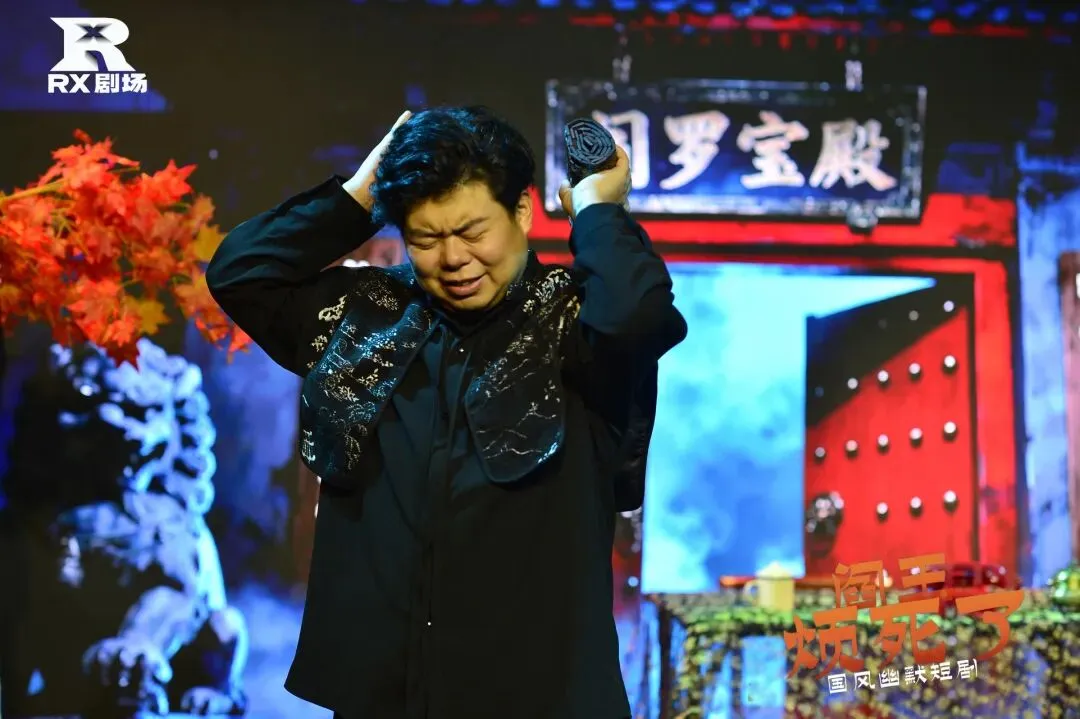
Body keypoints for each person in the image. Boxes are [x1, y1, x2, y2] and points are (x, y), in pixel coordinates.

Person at [206, 106, 687, 719]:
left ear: (522, 211)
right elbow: (241, 273)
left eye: (472, 231)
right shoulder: (363, 318)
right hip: (384, 699)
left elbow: (637, 316)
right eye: (426, 239)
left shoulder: (577, 328)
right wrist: (358, 196)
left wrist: (597, 209)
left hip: (540, 699)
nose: (453, 258)